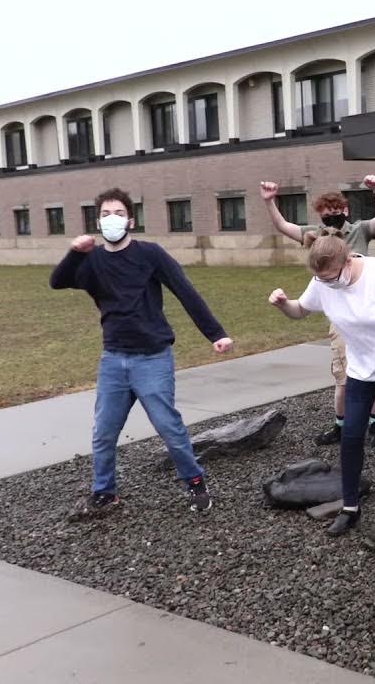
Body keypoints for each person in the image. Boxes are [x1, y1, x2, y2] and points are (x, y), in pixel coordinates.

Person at [51, 187, 235, 519]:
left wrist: (216, 333)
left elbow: (185, 290)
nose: (111, 219)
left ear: (131, 220)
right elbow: (58, 282)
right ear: (97, 221)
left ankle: (195, 483)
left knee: (169, 427)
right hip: (113, 359)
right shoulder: (92, 261)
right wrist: (75, 253)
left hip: (152, 357)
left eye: (118, 213)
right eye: (105, 214)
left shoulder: (150, 254)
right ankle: (104, 493)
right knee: (104, 432)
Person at [267, 233, 375, 536]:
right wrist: (283, 304)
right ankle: (350, 507)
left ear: (347, 262)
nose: (328, 284)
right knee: (350, 433)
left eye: (332, 277)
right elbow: (299, 310)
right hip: (362, 361)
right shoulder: (323, 281)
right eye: (322, 280)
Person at [260, 181, 375, 447]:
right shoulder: (314, 235)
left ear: (345, 209)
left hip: (370, 313)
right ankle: (340, 426)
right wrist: (268, 201)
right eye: (325, 210)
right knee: (342, 374)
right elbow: (283, 226)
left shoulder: (358, 231)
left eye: (336, 208)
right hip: (340, 317)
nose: (331, 213)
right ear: (319, 213)